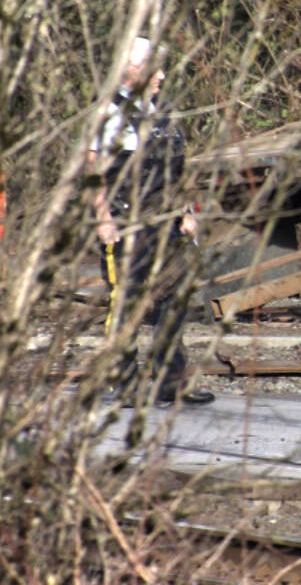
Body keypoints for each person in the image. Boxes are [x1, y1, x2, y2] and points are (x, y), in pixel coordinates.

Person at [89, 36, 214, 407]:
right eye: (154, 69)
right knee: (126, 304)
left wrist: (188, 213)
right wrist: (102, 219)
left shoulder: (165, 113)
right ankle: (124, 382)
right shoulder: (109, 114)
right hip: (128, 224)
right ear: (131, 70)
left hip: (167, 225)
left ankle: (170, 380)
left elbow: (180, 171)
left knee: (174, 303)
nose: (161, 75)